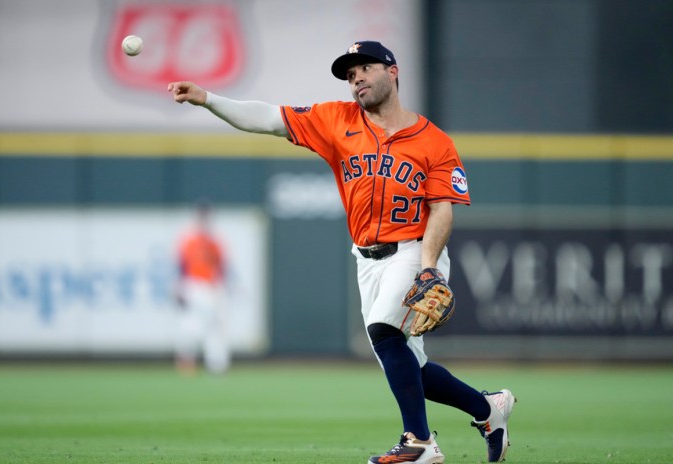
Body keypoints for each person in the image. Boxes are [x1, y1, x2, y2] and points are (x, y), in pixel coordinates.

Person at [168, 41, 516, 463]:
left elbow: (442, 209)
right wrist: (208, 99)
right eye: (351, 76)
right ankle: (489, 410)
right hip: (367, 259)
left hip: (413, 250)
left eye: (365, 69)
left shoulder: (434, 142)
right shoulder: (337, 120)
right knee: (411, 368)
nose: (357, 80)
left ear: (393, 71)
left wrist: (429, 268)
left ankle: (420, 443)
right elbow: (269, 118)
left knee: (385, 334)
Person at [173, 200, 230, 375]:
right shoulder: (189, 240)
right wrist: (179, 287)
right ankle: (186, 360)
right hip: (194, 285)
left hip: (211, 287)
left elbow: (221, 266)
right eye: (202, 215)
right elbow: (182, 266)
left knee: (215, 326)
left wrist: (221, 287)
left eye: (207, 215)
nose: (205, 218)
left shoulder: (214, 241)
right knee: (190, 325)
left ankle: (216, 365)